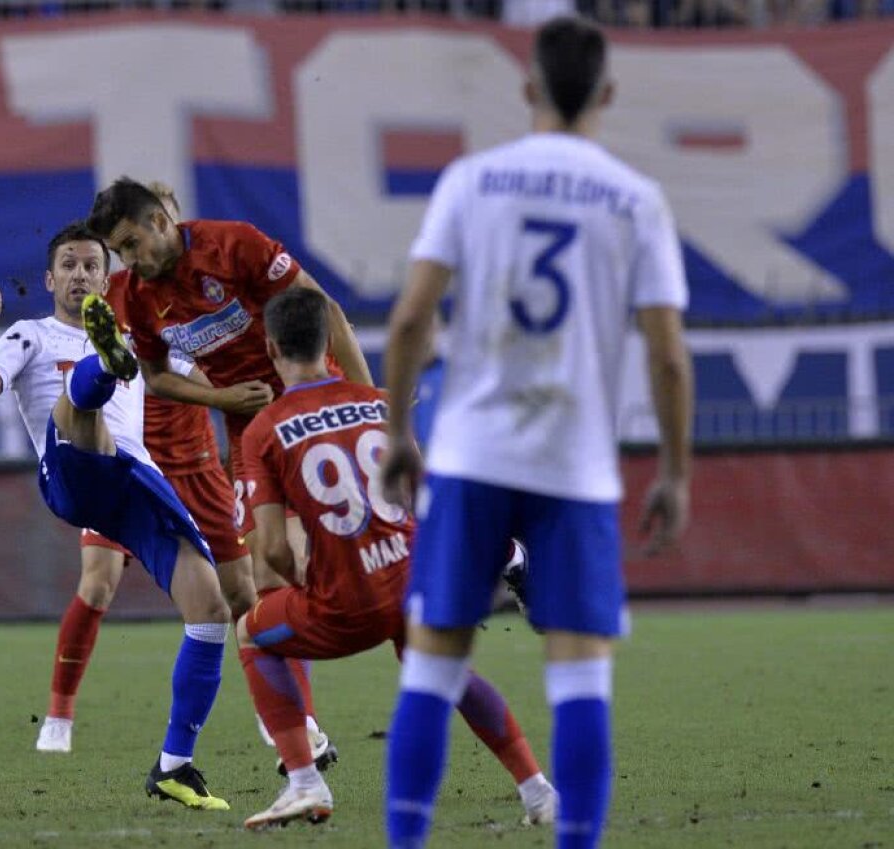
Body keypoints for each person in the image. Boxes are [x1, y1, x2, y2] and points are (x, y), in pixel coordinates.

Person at [380, 17, 693, 849]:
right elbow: (667, 357)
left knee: (433, 664)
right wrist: (675, 471)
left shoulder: (472, 181)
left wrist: (398, 432)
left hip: (473, 454)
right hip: (575, 465)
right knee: (581, 674)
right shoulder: (635, 198)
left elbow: (412, 317)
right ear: (608, 93)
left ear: (527, 90)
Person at [37, 185, 335, 774]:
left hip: (195, 466)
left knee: (247, 594)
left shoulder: (162, 291)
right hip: (131, 470)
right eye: (79, 264)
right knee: (97, 582)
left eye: (99, 260)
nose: (94, 271)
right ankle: (59, 716)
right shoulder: (101, 310)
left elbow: (188, 361)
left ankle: (288, 720)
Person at [234, 287, 557, 830]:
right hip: (413, 582)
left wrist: (302, 580)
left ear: (270, 349)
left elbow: (268, 550)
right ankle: (538, 792)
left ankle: (305, 781)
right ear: (330, 342)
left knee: (249, 631)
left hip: (345, 605)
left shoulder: (264, 430)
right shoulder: (383, 404)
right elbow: (428, 499)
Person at [0, 221, 233, 811]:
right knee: (80, 417)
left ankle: (174, 765)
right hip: (72, 475)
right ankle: (100, 372)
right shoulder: (28, 335)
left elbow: (204, 381)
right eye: (70, 266)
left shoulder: (140, 337)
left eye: (91, 267)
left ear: (107, 280)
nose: (80, 274)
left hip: (135, 483)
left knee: (210, 607)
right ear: (50, 278)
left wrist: (255, 387)